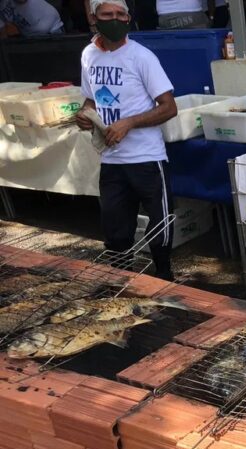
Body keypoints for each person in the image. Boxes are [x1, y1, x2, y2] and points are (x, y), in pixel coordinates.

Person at [75, 0, 178, 280]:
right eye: (107, 14)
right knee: (116, 231)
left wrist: (130, 122)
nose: (115, 19)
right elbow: (91, 99)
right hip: (111, 159)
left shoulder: (141, 57)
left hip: (146, 158)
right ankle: (121, 284)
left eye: (121, 14)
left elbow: (169, 107)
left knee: (160, 229)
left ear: (129, 18)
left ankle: (165, 279)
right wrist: (84, 115)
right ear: (94, 18)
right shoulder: (88, 55)